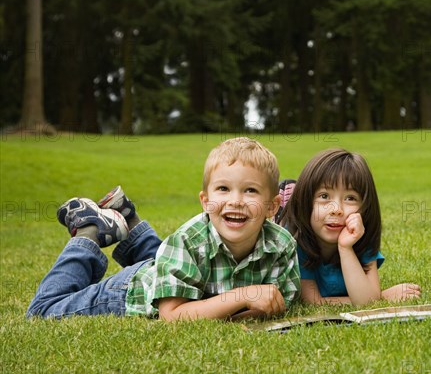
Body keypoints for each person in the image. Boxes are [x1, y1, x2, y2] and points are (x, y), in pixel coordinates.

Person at [27, 137, 300, 321]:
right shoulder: (189, 240)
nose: (235, 201)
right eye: (223, 189)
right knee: (43, 310)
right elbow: (172, 316)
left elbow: (279, 302)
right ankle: (88, 230)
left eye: (250, 190)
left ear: (272, 207)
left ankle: (129, 221)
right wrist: (242, 297)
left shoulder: (282, 244)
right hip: (130, 290)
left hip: (174, 271)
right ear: (205, 201)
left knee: (165, 258)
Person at [279, 148, 421, 305]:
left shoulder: (360, 237)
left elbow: (366, 301)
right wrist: (383, 296)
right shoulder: (296, 240)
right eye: (324, 196)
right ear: (307, 201)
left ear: (365, 207)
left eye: (350, 198)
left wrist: (346, 248)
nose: (337, 209)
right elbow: (313, 302)